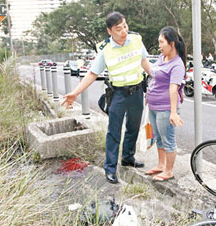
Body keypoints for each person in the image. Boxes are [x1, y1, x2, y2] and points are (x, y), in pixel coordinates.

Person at [61, 12, 151, 184]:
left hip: (137, 92)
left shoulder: (137, 40)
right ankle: (110, 168)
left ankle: (128, 157)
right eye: (118, 29)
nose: (124, 30)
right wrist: (75, 92)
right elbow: (92, 73)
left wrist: (158, 79)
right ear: (110, 31)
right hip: (118, 94)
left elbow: (144, 62)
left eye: (125, 26)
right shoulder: (106, 51)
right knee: (114, 132)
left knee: (133, 127)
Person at [143, 26, 186, 181]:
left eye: (162, 42)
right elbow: (153, 73)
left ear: (172, 44)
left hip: (165, 109)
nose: (159, 46)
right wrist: (140, 57)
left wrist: (173, 113)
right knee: (159, 138)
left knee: (168, 140)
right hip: (153, 107)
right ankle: (161, 165)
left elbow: (173, 89)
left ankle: (169, 171)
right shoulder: (162, 58)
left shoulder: (177, 65)